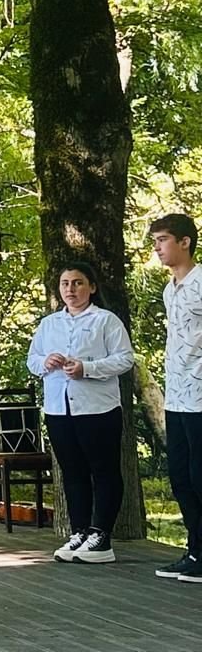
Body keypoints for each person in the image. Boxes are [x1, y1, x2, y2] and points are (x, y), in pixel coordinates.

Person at [27, 261, 134, 564]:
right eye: (65, 284)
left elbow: (125, 359)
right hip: (59, 409)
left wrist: (87, 368)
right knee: (72, 472)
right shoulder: (49, 324)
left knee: (103, 470)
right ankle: (80, 531)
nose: (71, 289)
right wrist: (45, 362)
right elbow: (32, 360)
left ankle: (101, 535)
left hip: (97, 408)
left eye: (77, 283)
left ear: (92, 287)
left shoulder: (106, 320)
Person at [151, 214, 202, 582]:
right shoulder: (170, 289)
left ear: (185, 242)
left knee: (200, 476)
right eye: (155, 241)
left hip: (201, 396)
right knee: (181, 477)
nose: (157, 247)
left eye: (163, 239)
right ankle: (195, 550)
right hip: (177, 395)